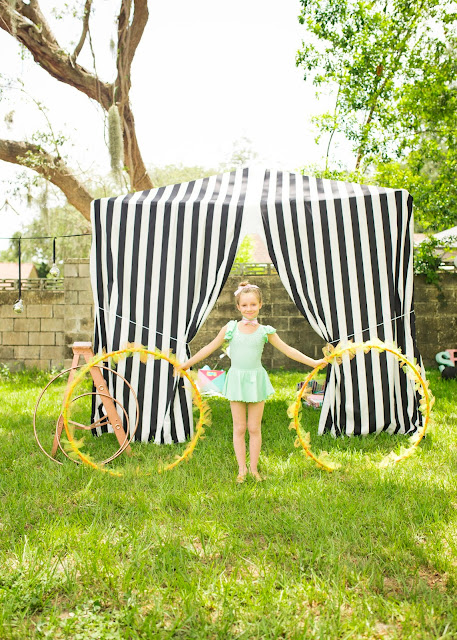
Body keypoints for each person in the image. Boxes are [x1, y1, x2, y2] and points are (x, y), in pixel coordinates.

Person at [176, 281, 326, 483]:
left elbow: (288, 350)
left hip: (256, 381)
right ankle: (242, 469)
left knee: (254, 428)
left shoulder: (265, 331)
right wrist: (187, 364)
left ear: (260, 305)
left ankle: (254, 469)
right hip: (237, 380)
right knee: (239, 428)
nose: (249, 309)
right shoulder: (230, 328)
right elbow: (209, 347)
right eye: (244, 305)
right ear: (238, 307)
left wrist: (313, 362)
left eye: (253, 304)